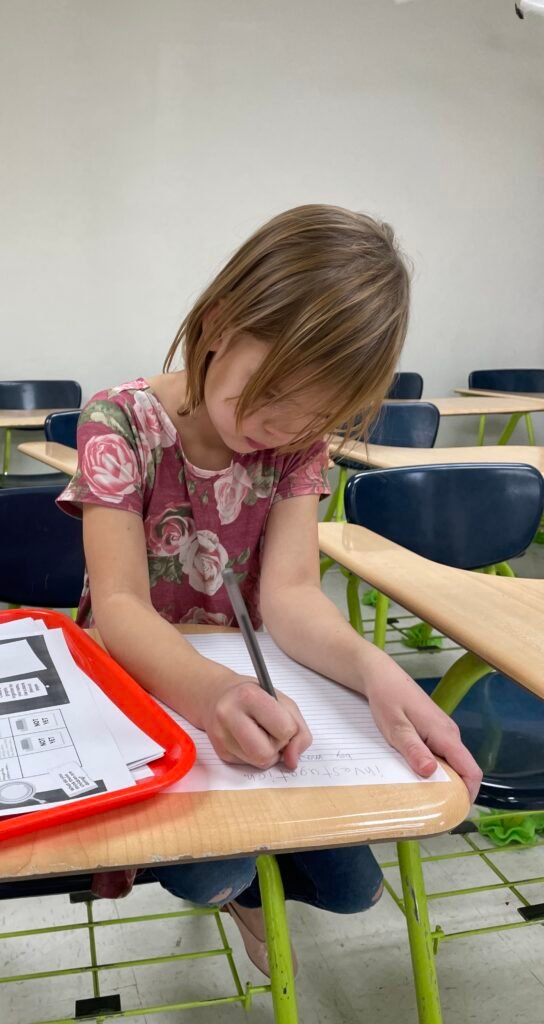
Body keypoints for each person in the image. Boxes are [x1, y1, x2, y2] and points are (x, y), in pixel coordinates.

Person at [58, 205, 481, 976]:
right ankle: (243, 896)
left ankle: (254, 888)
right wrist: (212, 693)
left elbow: (290, 596)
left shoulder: (296, 447)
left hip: (258, 684)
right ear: (220, 323)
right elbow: (119, 607)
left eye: (315, 414)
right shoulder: (119, 421)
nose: (280, 426)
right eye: (272, 389)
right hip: (150, 680)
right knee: (212, 870)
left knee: (353, 891)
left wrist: (376, 671)